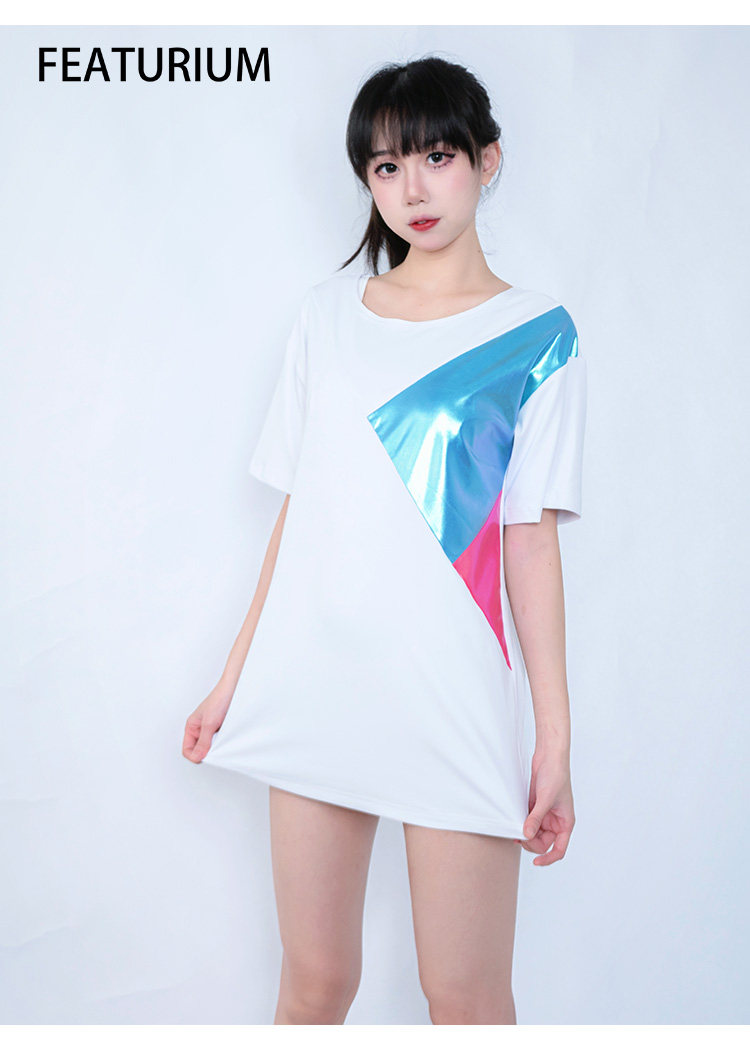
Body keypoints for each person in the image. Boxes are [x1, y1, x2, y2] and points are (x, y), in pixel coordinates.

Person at [182, 55, 588, 1025]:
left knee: (467, 998)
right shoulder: (327, 318)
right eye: (386, 167)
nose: (412, 190)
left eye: (437, 157)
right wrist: (233, 680)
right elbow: (301, 513)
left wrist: (554, 741)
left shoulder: (539, 334)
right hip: (313, 682)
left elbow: (529, 541)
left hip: (451, 695)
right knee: (314, 985)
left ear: (488, 160)